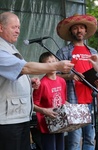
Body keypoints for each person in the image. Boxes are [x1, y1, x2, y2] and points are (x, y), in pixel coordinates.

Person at [0, 11, 74, 150]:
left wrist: (29, 83)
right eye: (14, 27)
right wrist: (56, 65)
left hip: (20, 116)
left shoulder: (11, 48)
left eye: (19, 27)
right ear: (1, 27)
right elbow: (25, 68)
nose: (18, 31)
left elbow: (13, 76)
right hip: (7, 120)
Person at [56, 14, 98, 150]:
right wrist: (69, 76)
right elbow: (54, 77)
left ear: (86, 31)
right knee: (74, 141)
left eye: (81, 28)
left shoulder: (93, 51)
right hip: (73, 101)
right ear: (70, 32)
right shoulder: (63, 52)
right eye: (75, 28)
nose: (79, 31)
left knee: (90, 140)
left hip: (91, 100)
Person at [33, 52, 67, 150]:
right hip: (47, 125)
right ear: (43, 66)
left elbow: (64, 101)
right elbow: (33, 104)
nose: (52, 65)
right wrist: (45, 111)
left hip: (60, 123)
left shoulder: (62, 81)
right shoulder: (41, 84)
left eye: (54, 62)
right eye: (49, 63)